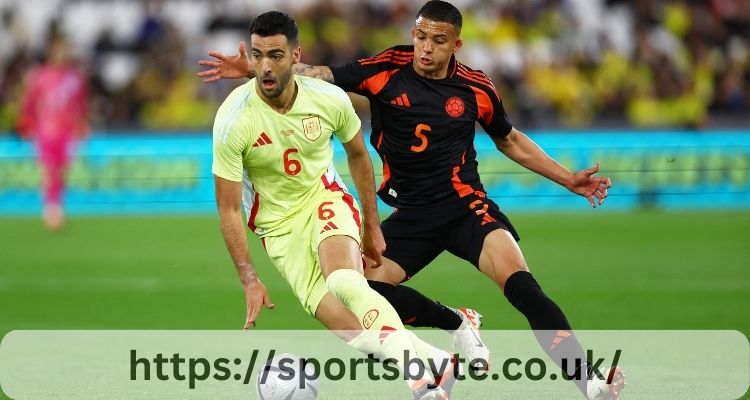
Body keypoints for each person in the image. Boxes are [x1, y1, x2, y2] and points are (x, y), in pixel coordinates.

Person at [200, 2, 624, 398]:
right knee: (360, 293)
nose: (425, 47)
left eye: (438, 40)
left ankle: (586, 378)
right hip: (411, 216)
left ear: (455, 44)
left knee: (522, 286)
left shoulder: (476, 88)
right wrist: (254, 72)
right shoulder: (387, 69)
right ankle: (456, 321)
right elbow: (316, 74)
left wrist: (567, 178)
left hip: (465, 207)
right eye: (420, 36)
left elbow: (510, 140)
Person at [211, 11, 453, 399]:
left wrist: (372, 225)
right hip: (278, 230)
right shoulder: (232, 119)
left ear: (296, 56)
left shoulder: (328, 98)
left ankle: (420, 380)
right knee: (354, 333)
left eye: (276, 55)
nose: (265, 66)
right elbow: (228, 209)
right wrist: (249, 279)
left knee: (344, 280)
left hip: (325, 199)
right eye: (257, 56)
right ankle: (438, 360)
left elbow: (358, 156)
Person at [18, 36, 88, 231]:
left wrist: (82, 124)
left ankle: (57, 206)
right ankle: (50, 210)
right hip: (45, 129)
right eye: (59, 51)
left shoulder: (74, 77)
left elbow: (82, 104)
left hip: (67, 130)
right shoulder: (39, 76)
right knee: (48, 169)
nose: (62, 55)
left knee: (63, 170)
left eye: (65, 51)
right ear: (50, 54)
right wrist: (26, 123)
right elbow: (30, 102)